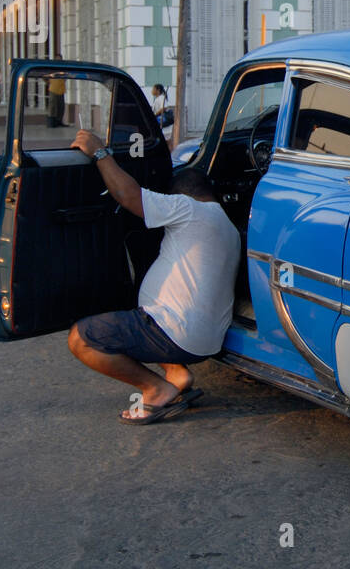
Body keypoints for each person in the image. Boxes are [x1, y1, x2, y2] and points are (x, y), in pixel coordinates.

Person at [66, 128, 241, 425]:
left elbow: (128, 196)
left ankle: (156, 388)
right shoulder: (228, 228)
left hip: (174, 332)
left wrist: (99, 152)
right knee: (147, 308)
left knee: (81, 338)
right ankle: (177, 373)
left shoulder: (188, 208)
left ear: (183, 194)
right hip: (206, 340)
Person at [46, 54, 66, 128]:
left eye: (60, 59)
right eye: (57, 60)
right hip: (53, 89)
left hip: (61, 89)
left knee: (61, 107)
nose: (59, 61)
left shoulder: (63, 68)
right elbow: (45, 76)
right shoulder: (52, 68)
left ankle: (59, 122)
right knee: (52, 107)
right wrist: (48, 82)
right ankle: (51, 123)